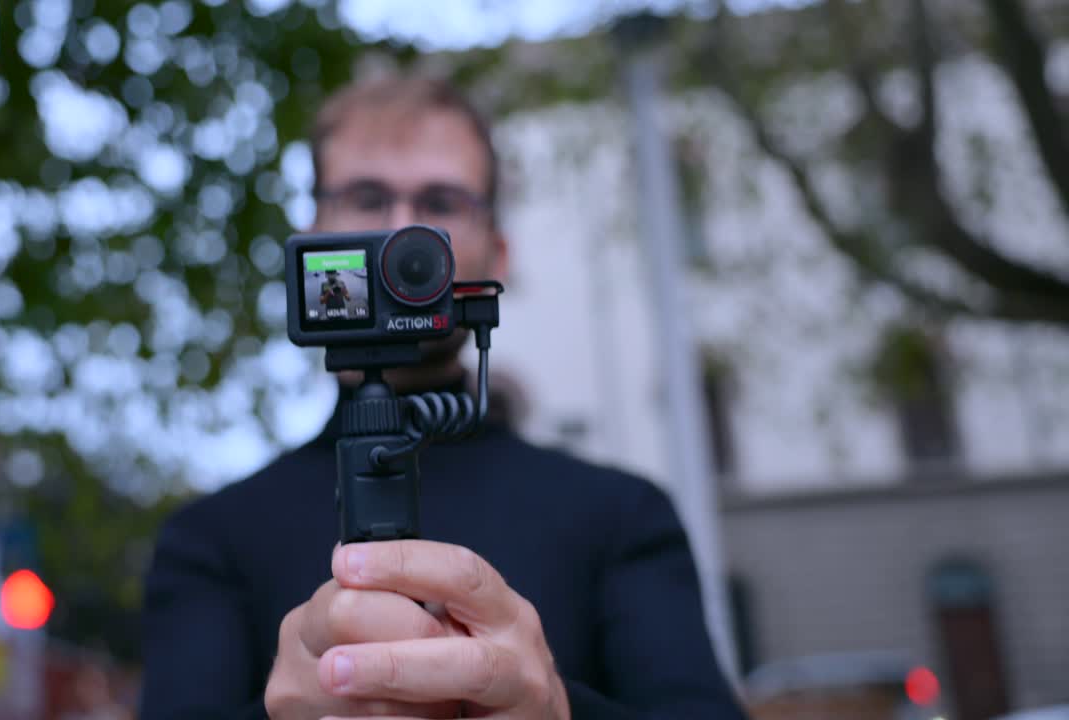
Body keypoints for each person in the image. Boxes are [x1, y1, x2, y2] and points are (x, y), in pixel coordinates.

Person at [140, 74, 748, 720]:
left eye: (441, 202)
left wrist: (556, 708)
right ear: (312, 238)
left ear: (498, 254)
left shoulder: (623, 516)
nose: (402, 232)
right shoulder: (208, 541)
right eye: (367, 198)